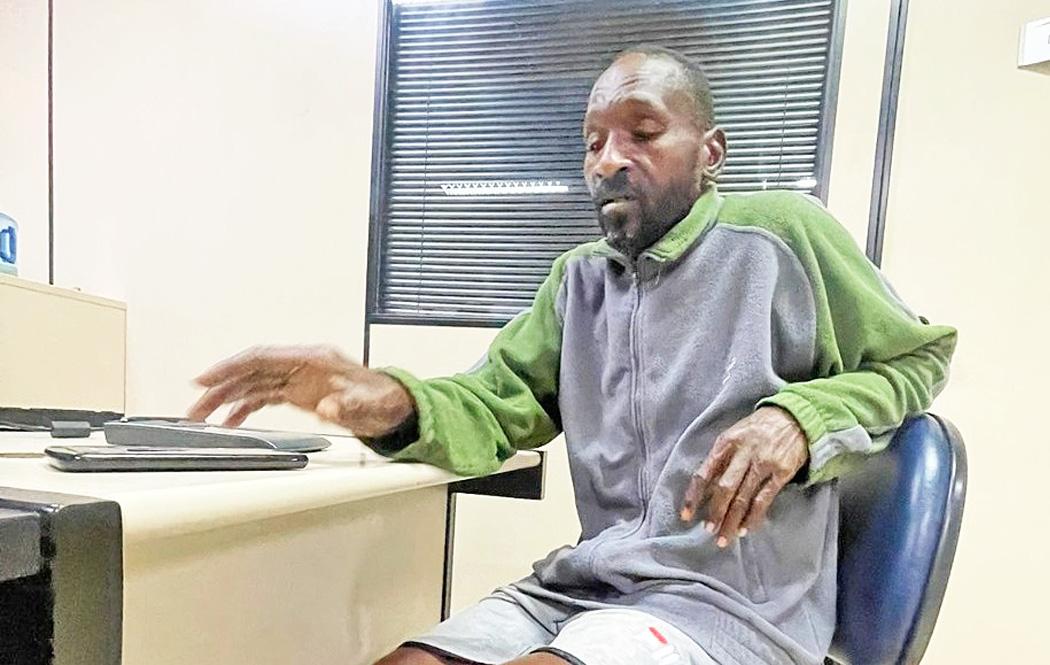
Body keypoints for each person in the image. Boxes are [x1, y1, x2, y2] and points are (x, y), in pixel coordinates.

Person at [188, 46, 956, 665]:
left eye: (643, 133)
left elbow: (916, 361)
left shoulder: (781, 236)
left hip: (732, 608)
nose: (608, 159)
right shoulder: (577, 281)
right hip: (586, 585)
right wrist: (391, 398)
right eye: (593, 142)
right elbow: (495, 403)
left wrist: (800, 418)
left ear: (710, 151)